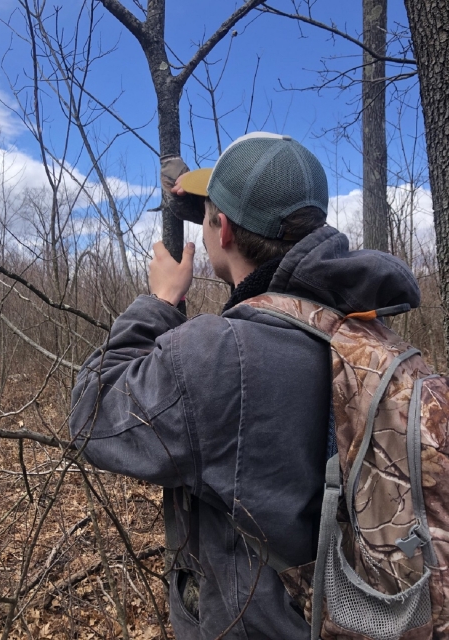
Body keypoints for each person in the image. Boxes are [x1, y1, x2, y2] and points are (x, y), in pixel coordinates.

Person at [70, 132, 420, 639]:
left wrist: (161, 303)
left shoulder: (218, 356)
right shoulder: (366, 331)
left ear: (224, 229)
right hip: (360, 614)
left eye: (209, 215)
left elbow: (91, 415)